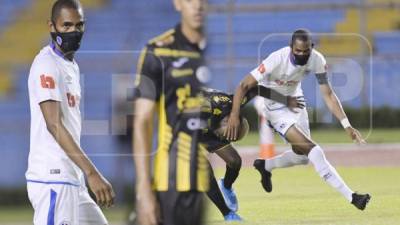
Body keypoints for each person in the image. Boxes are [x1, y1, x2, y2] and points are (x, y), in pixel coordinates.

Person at [225, 29, 371, 210]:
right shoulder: (276, 59)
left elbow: (328, 94)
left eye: (305, 51)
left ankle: (265, 165)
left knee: (302, 157)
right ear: (291, 48)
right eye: (297, 51)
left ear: (312, 48)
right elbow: (244, 85)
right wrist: (233, 115)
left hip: (296, 103)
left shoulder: (318, 60)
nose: (301, 55)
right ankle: (353, 197)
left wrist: (346, 125)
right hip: (275, 108)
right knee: (314, 151)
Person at [26, 1, 115, 224]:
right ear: (51, 26)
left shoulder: (70, 65)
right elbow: (53, 124)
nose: (73, 32)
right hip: (53, 178)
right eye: (66, 26)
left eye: (79, 26)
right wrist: (92, 172)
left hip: (72, 178)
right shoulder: (47, 64)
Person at [133, 0, 209, 224]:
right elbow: (142, 121)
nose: (197, 6)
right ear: (177, 3)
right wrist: (144, 187)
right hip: (174, 184)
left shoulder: (223, 47)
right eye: (189, 0)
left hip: (211, 182)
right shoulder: (157, 51)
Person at [201, 85, 304, 221]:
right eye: (227, 136)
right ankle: (228, 214)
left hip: (209, 128)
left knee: (235, 161)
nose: (226, 140)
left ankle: (226, 186)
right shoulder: (208, 105)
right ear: (229, 122)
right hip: (185, 128)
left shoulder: (235, 105)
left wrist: (285, 100)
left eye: (227, 138)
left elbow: (257, 89)